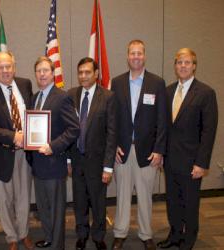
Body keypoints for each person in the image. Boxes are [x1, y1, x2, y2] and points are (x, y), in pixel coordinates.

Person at [157, 48, 218, 250]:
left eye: (187, 62)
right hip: (171, 160)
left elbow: (208, 132)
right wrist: (161, 153)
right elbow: (164, 127)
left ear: (194, 66)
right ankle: (174, 235)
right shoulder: (168, 91)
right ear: (175, 66)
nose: (182, 66)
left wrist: (202, 162)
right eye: (179, 62)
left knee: (190, 204)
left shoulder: (206, 93)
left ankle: (189, 239)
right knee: (172, 201)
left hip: (193, 162)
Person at [111, 40, 167, 250]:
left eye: (139, 53)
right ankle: (120, 233)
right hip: (123, 150)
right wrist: (114, 144)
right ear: (127, 56)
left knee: (145, 195)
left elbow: (163, 120)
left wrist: (159, 149)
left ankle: (146, 234)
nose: (136, 57)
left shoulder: (156, 83)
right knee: (122, 195)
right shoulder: (116, 83)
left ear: (144, 56)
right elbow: (112, 118)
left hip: (148, 151)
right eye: (132, 53)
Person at [0, 51, 34, 250]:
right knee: (4, 200)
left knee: (23, 198)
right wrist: (13, 137)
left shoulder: (26, 84)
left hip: (24, 155)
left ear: (14, 66)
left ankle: (24, 233)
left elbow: (33, 115)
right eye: (0, 67)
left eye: (8, 66)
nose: (5, 70)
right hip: (1, 155)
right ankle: (11, 237)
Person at [68, 57, 117, 250]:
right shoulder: (71, 95)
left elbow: (112, 133)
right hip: (77, 159)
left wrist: (108, 166)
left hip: (98, 162)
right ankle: (81, 234)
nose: (83, 76)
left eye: (87, 72)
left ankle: (98, 236)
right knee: (79, 200)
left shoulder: (108, 97)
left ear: (96, 74)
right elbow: (68, 130)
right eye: (80, 72)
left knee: (98, 201)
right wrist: (69, 160)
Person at [31, 56, 80, 250]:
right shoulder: (35, 98)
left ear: (53, 73)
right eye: (38, 71)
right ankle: (49, 238)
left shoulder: (62, 96)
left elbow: (74, 129)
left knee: (56, 210)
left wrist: (53, 146)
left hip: (54, 163)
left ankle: (57, 245)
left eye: (46, 70)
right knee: (43, 208)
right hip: (37, 164)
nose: (42, 74)